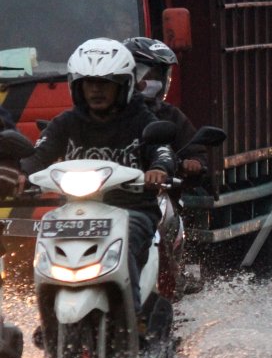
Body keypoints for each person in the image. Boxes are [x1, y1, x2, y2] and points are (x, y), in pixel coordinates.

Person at [20, 38, 176, 312]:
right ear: (77, 86)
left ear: (123, 85)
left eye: (105, 83)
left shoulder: (141, 120)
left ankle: (134, 318)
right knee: (45, 236)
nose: (96, 90)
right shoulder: (65, 123)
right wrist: (20, 175)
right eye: (89, 82)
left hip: (133, 210)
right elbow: (38, 155)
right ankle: (47, 315)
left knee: (125, 240)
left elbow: (162, 151)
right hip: (75, 214)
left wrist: (158, 169)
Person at [123, 37, 207, 179]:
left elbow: (193, 149)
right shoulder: (107, 115)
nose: (154, 81)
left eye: (158, 76)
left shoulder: (170, 115)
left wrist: (194, 162)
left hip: (157, 190)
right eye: (148, 75)